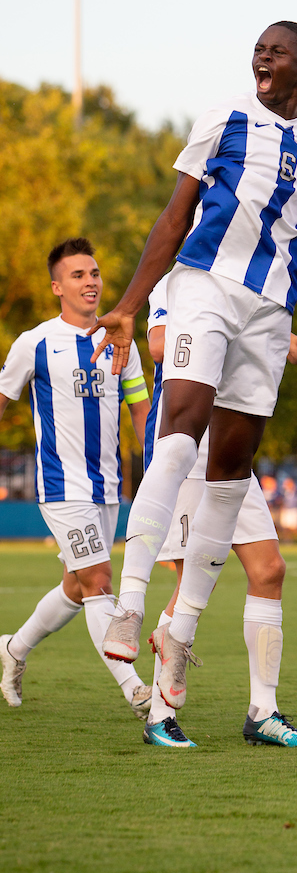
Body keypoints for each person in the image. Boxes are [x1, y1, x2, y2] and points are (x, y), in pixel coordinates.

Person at [91, 22, 297, 720]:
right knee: (180, 428)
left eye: (277, 50)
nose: (263, 57)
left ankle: (179, 630)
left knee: (231, 467)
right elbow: (175, 217)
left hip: (270, 312)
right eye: (258, 48)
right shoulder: (223, 116)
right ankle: (131, 603)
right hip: (206, 286)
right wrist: (130, 305)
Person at [139, 273, 297, 747]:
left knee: (269, 570)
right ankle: (158, 714)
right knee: (188, 585)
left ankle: (263, 712)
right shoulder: (175, 281)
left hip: (232, 458)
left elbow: (289, 348)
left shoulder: (252, 282)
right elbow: (158, 346)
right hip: (188, 455)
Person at [0, 239, 153, 717]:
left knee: (75, 585)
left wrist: (159, 472)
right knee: (98, 580)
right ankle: (137, 691)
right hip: (61, 488)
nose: (90, 282)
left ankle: (13, 649)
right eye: (78, 275)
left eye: (94, 273)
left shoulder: (120, 339)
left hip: (107, 487)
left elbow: (141, 410)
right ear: (56, 287)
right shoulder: (35, 342)